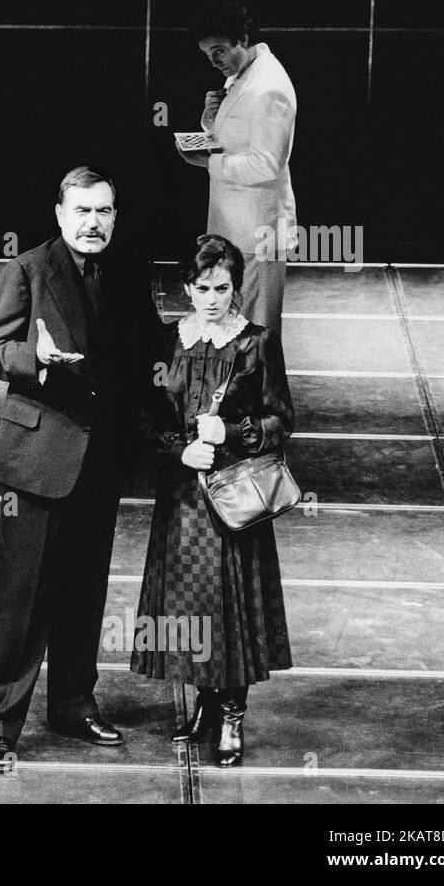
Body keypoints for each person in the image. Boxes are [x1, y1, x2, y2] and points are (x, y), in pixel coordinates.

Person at [0, 166, 158, 773]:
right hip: (38, 461)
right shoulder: (26, 269)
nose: (94, 223)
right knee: (19, 599)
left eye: (104, 212)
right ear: (59, 214)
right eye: (82, 212)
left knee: (84, 591)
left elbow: (150, 350)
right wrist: (37, 361)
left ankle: (73, 703)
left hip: (101, 460)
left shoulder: (128, 271)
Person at [132, 234, 295, 767]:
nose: (211, 298)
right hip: (183, 494)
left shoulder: (255, 342)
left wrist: (230, 432)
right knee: (190, 604)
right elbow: (143, 417)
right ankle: (205, 701)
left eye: (221, 288)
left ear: (235, 288)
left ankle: (231, 718)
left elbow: (281, 421)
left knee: (229, 606)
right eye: (201, 288)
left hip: (235, 498)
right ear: (187, 287)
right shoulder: (165, 341)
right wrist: (179, 451)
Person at [177, 0, 296, 333]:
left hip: (258, 232)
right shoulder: (243, 73)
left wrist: (210, 163)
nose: (214, 62)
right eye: (207, 55)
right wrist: (210, 118)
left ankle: (264, 389)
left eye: (219, 51)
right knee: (237, 329)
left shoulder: (268, 87)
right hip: (237, 228)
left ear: (242, 40)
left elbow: (268, 163)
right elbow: (236, 138)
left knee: (258, 333)